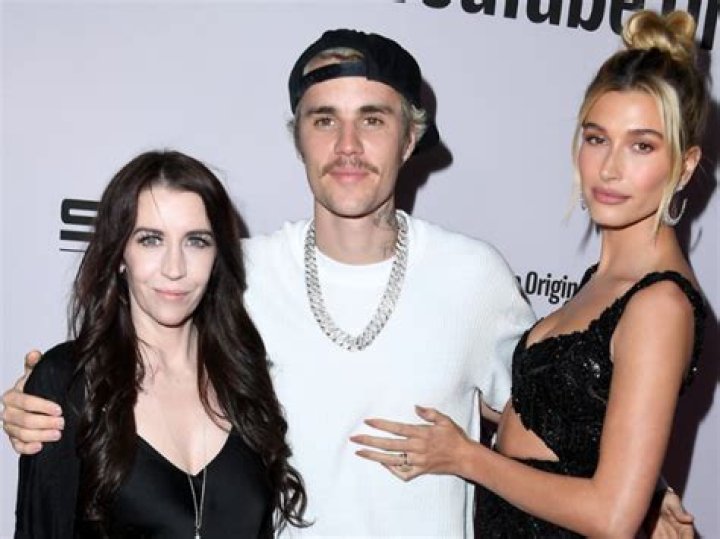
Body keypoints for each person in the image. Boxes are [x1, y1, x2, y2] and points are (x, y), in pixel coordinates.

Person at [3, 28, 695, 538]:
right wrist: (37, 397)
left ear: (410, 138)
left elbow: (549, 410)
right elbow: (135, 359)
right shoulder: (235, 275)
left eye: (373, 119)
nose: (348, 147)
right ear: (298, 137)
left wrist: (647, 490)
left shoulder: (475, 276)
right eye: (324, 119)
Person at [351, 10, 708, 538]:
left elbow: (611, 517)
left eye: (642, 146)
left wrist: (466, 457)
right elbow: (574, 430)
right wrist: (652, 486)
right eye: (596, 139)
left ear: (685, 165)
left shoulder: (660, 305)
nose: (610, 168)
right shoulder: (606, 280)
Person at [14, 150, 307, 538]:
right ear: (120, 254)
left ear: (217, 256)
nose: (174, 268)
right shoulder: (67, 382)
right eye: (151, 240)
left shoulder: (243, 378)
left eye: (196, 241)